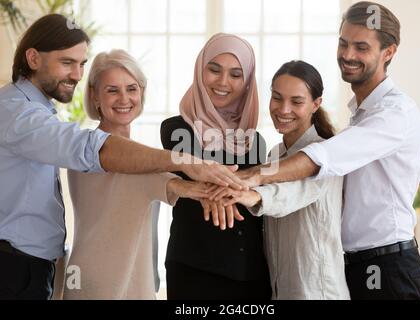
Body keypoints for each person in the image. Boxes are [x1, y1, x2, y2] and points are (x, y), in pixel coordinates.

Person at [0, 14, 244, 300]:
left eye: (81, 64)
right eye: (67, 63)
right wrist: (188, 170)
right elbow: (101, 155)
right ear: (33, 58)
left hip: (50, 269)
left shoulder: (37, 113)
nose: (77, 74)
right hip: (30, 270)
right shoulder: (19, 114)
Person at [216, 1, 420, 300]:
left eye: (361, 47)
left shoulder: (394, 112)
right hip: (355, 263)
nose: (348, 54)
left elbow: (319, 165)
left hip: (386, 263)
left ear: (388, 53)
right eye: (343, 43)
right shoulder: (360, 114)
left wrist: (252, 180)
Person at [63, 50, 209, 300]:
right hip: (97, 285)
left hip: (133, 280)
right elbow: (161, 182)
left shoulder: (141, 160)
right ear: (95, 97)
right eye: (112, 90)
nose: (124, 98)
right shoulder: (87, 149)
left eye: (132, 88)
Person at [210, 60, 350, 299]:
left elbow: (295, 193)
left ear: (316, 104)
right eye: (277, 98)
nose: (284, 110)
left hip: (318, 292)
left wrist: (253, 195)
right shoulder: (275, 153)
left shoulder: (327, 153)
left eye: (296, 102)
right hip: (281, 290)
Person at [160, 33, 271, 300]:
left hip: (251, 272)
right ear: (200, 71)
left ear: (246, 82)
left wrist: (221, 188)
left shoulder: (254, 141)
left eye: (235, 74)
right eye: (214, 70)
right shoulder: (177, 129)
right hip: (195, 270)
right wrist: (224, 187)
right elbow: (200, 167)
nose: (223, 82)